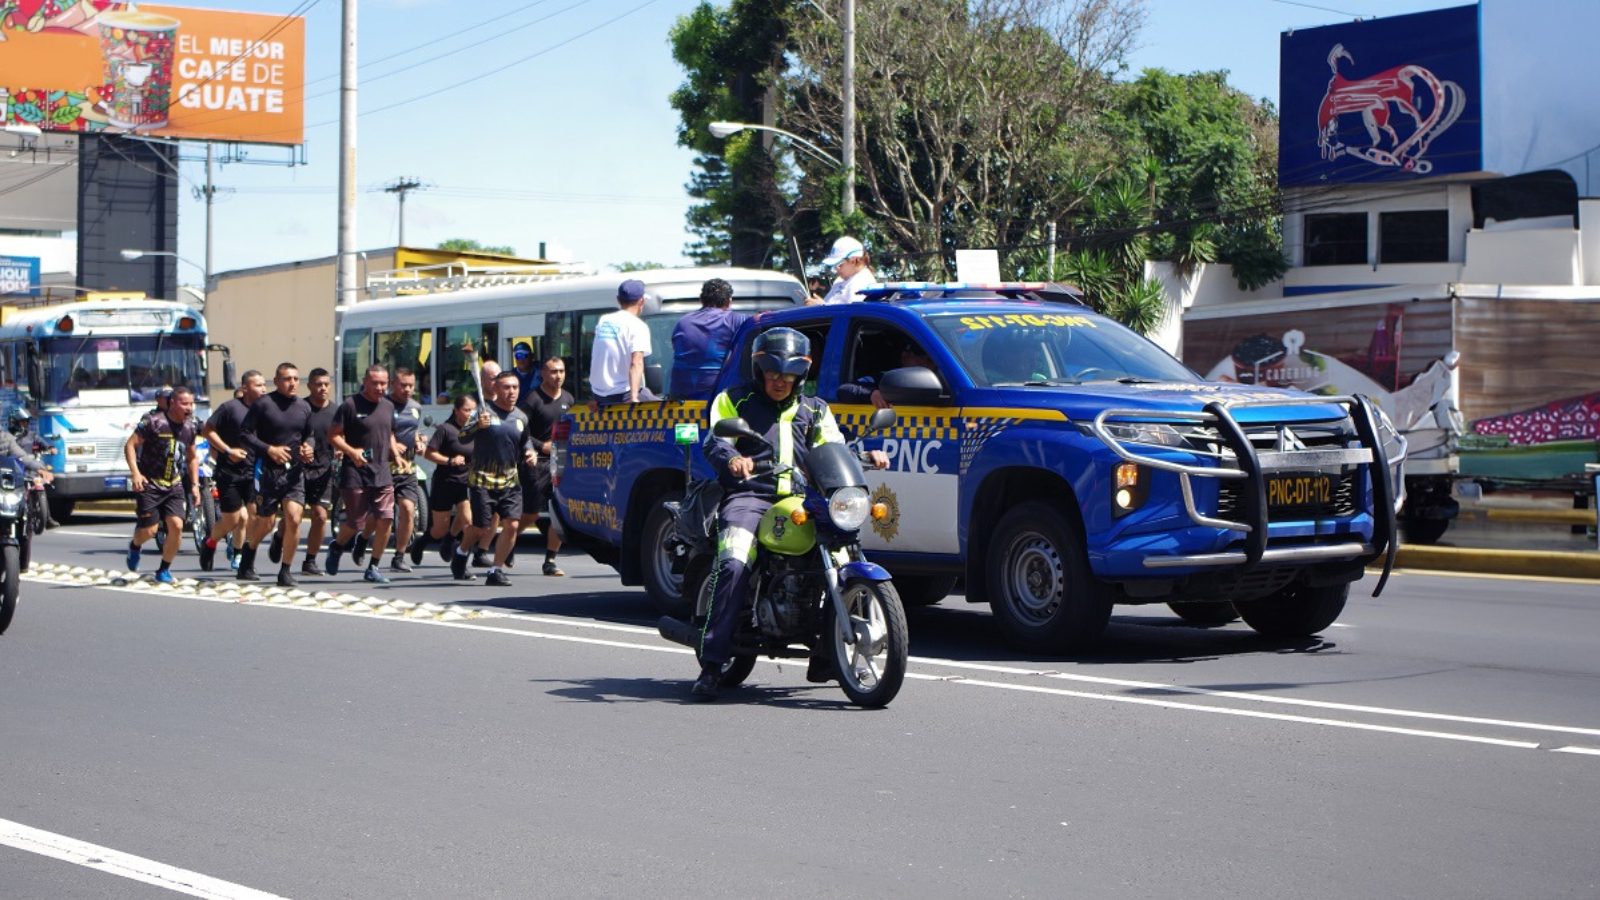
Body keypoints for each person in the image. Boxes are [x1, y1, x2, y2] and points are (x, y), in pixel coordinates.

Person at [692, 327, 888, 700]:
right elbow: (715, 439)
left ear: (801, 375)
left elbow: (831, 446)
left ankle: (825, 652)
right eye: (772, 373)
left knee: (840, 553)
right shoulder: (734, 400)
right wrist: (733, 458)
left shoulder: (815, 409)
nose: (780, 381)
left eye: (788, 375)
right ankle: (712, 664)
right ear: (760, 370)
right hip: (751, 496)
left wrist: (864, 455)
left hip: (803, 500)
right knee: (734, 562)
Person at [325, 364, 405, 583]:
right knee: (355, 523)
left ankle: (373, 566)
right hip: (356, 473)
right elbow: (333, 435)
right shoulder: (350, 405)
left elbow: (388, 431)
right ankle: (338, 546)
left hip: (382, 472)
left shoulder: (388, 406)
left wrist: (395, 453)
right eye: (375, 383)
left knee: (386, 518)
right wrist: (352, 452)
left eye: (384, 383)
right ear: (365, 382)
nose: (380, 387)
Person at [452, 371, 534, 586]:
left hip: (509, 480)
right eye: (506, 387)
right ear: (496, 389)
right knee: (482, 528)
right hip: (482, 479)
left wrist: (530, 453)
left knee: (513, 525)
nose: (511, 392)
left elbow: (526, 442)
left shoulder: (521, 417)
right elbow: (462, 436)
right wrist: (477, 425)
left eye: (515, 387)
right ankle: (461, 553)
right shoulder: (483, 412)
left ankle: (495, 571)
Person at [238, 363, 314, 586]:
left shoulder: (303, 407)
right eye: (287, 379)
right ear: (277, 381)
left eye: (295, 379)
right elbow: (245, 434)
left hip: (294, 473)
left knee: (294, 518)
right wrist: (269, 449)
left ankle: (286, 570)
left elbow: (310, 435)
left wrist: (309, 447)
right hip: (268, 472)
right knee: (265, 523)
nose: (292, 383)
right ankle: (248, 556)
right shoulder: (263, 404)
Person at [122, 386, 200, 584]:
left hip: (174, 484)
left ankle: (164, 569)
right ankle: (135, 546)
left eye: (191, 403)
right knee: (150, 531)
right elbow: (130, 445)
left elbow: (192, 458)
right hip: (150, 483)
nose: (189, 408)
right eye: (184, 403)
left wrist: (195, 485)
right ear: (172, 402)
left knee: (177, 525)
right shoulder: (153, 422)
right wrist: (136, 474)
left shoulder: (190, 427)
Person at [198, 370, 266, 572]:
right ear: (245, 388)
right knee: (233, 519)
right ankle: (210, 542)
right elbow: (207, 431)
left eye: (264, 384)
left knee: (255, 516)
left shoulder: (267, 409)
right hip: (230, 472)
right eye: (258, 385)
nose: (263, 389)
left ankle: (244, 558)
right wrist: (228, 450)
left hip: (255, 471)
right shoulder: (229, 408)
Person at [516, 355, 573, 576]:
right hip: (536, 463)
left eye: (561, 371)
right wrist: (541, 446)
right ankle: (509, 542)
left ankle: (550, 561)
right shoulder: (532, 399)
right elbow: (520, 428)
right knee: (530, 514)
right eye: (553, 371)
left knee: (559, 512)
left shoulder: (568, 398)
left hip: (560, 462)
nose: (558, 376)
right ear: (543, 374)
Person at [410, 394, 476, 568]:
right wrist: (449, 461)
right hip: (445, 483)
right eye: (467, 410)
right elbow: (429, 453)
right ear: (456, 411)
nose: (470, 414)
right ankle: (421, 543)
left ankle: (460, 561)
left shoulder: (474, 430)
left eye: (473, 410)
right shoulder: (446, 429)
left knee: (468, 523)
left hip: (466, 483)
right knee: (439, 530)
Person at [669, 277, 747, 399]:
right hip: (713, 401)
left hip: (679, 401)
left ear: (701, 300)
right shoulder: (735, 320)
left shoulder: (682, 322)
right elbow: (757, 323)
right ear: (729, 301)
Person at [383, 367, 428, 575]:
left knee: (409, 510)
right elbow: (382, 431)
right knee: (381, 516)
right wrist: (392, 445)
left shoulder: (416, 407)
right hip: (384, 465)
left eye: (411, 385)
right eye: (403, 385)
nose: (408, 389)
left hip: (407, 466)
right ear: (393, 383)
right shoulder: (384, 405)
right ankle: (362, 540)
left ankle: (399, 556)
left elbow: (414, 430)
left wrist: (419, 441)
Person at [296, 367, 337, 576]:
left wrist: (341, 450)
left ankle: (310, 561)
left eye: (326, 384)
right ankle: (278, 538)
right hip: (299, 468)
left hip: (324, 470)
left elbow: (343, 436)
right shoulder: (301, 408)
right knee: (291, 518)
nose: (323, 388)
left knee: (320, 516)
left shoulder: (336, 411)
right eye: (318, 384)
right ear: (310, 385)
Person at [589, 278, 656, 405]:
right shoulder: (638, 326)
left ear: (618, 300)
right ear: (641, 301)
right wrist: (634, 397)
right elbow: (637, 362)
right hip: (623, 394)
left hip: (599, 395)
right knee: (670, 411)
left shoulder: (604, 321)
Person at [837, 338, 936, 409]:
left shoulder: (943, 380)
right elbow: (844, 390)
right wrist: (872, 394)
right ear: (904, 356)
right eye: (922, 357)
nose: (927, 362)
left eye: (930, 359)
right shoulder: (885, 377)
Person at [810, 236, 877, 305]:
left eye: (839, 264)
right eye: (834, 265)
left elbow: (854, 313)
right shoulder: (840, 281)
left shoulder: (863, 282)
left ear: (853, 261)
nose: (836, 269)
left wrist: (822, 307)